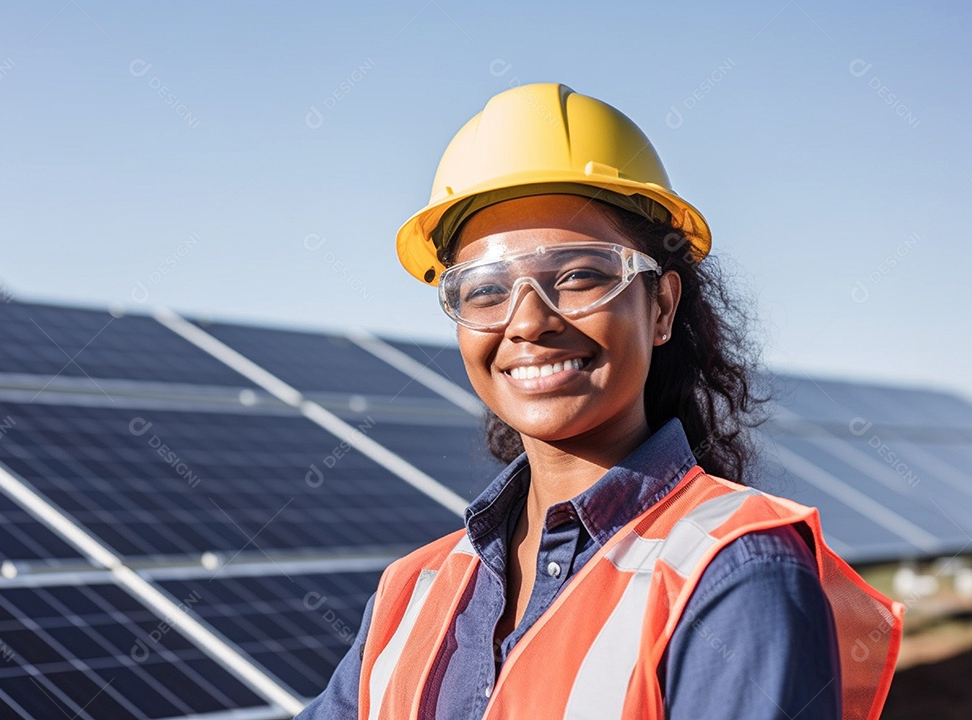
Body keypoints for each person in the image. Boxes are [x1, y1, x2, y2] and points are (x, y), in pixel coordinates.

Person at [298, 83, 903, 720]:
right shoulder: (411, 593)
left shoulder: (732, 572)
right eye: (484, 290)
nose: (528, 321)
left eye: (580, 274)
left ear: (662, 306)